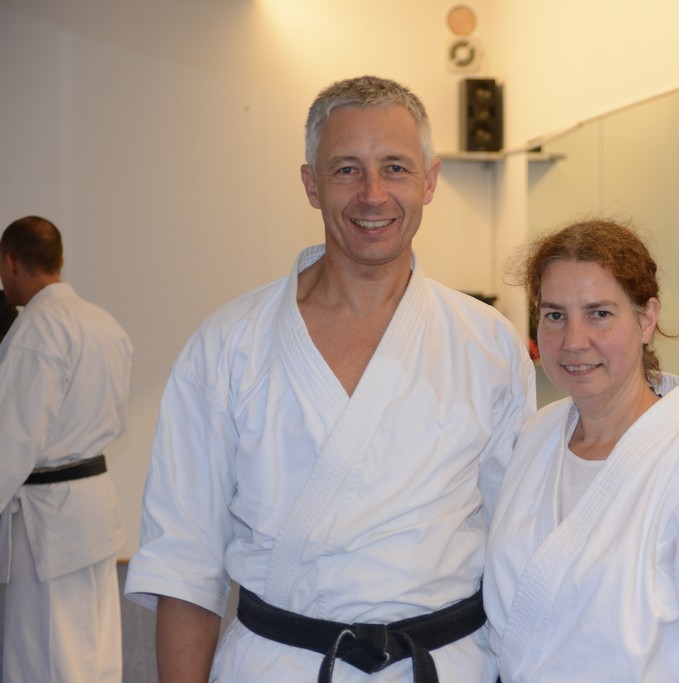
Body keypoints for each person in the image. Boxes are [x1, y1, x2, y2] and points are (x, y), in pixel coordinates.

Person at [124, 75, 535, 682]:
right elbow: (184, 563)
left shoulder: (488, 344)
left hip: (447, 665)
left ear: (429, 181)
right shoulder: (228, 345)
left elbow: (517, 551)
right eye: (346, 170)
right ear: (311, 184)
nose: (373, 195)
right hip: (279, 664)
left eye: (395, 167)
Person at [484, 219, 679, 682]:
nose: (573, 341)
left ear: (647, 319)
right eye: (555, 315)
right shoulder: (535, 437)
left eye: (600, 313)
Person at [0, 215, 133, 683]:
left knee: (49, 653)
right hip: (93, 507)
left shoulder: (35, 331)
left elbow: (12, 443)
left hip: (49, 521)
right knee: (97, 646)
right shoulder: (104, 324)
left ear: (11, 263)